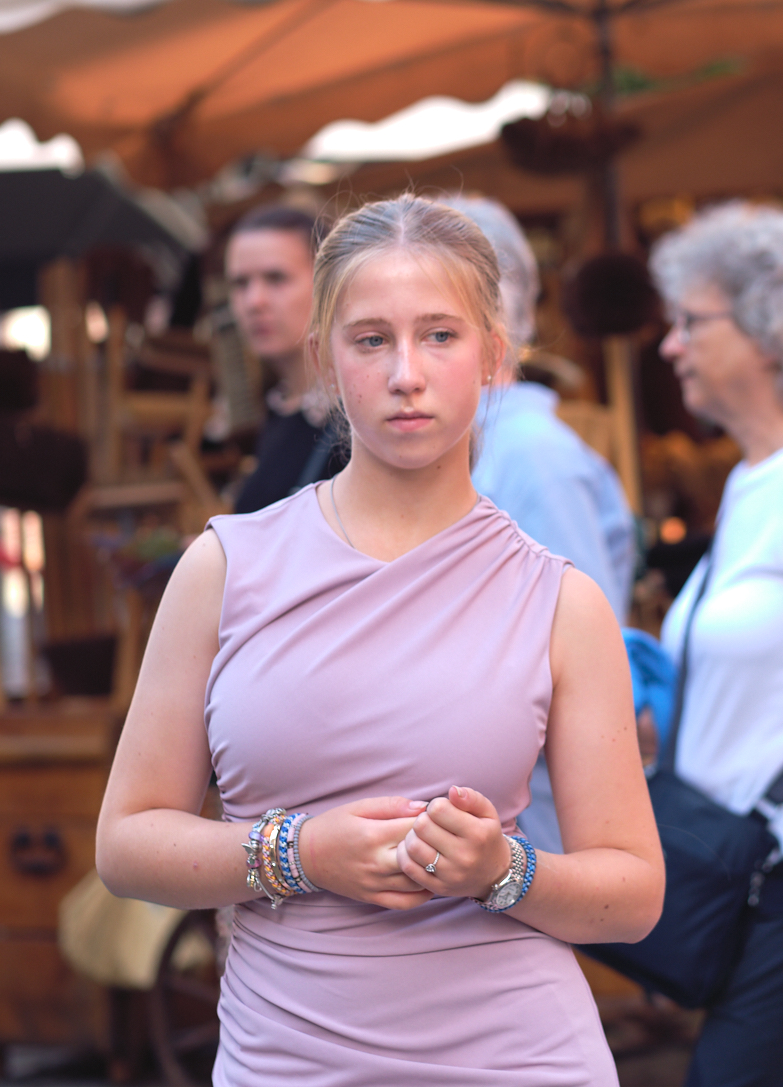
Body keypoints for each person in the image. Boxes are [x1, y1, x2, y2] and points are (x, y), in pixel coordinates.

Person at [96, 195, 663, 1086]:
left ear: (494, 354)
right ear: (324, 359)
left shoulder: (560, 601)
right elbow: (126, 845)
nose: (407, 373)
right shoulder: (224, 568)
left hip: (522, 1056)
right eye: (371, 340)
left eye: (440, 335)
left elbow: (632, 896)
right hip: (287, 1059)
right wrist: (298, 853)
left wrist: (502, 869)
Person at [654, 203, 783, 1087]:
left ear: (769, 329)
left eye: (690, 321)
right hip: (751, 882)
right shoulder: (753, 480)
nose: (670, 345)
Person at [446, 196, 636, 852]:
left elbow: (587, 677)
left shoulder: (532, 457)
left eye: (436, 326)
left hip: (534, 842)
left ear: (490, 319)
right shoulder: (471, 447)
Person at [225, 204, 346, 511]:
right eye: (240, 284)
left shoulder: (355, 425)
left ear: (328, 284)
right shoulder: (280, 410)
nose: (254, 301)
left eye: (276, 278)